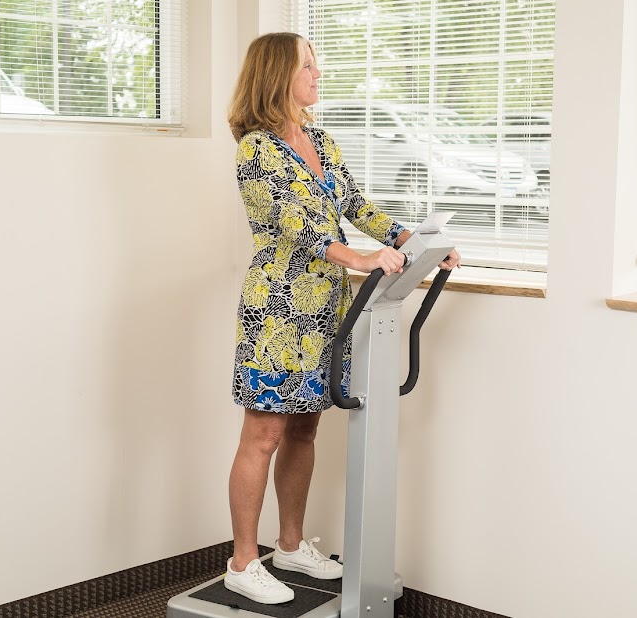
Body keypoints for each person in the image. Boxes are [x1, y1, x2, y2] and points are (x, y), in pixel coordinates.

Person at [224, 32, 462, 605]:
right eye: (308, 65)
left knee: (306, 426)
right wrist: (357, 256)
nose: (318, 74)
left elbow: (354, 204)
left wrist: (416, 241)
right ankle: (243, 560)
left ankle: (288, 545)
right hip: (277, 309)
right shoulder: (255, 149)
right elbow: (294, 224)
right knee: (265, 433)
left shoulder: (319, 140)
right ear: (278, 74)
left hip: (325, 307)